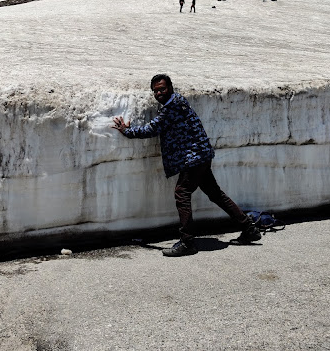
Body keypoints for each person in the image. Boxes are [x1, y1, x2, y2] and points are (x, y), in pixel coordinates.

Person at [112, 74, 262, 257]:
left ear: (171, 88)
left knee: (182, 193)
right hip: (201, 156)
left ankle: (187, 242)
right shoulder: (175, 102)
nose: (159, 93)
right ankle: (249, 228)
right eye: (155, 90)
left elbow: (152, 129)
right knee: (215, 194)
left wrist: (127, 131)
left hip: (194, 158)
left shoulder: (172, 107)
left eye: (162, 89)